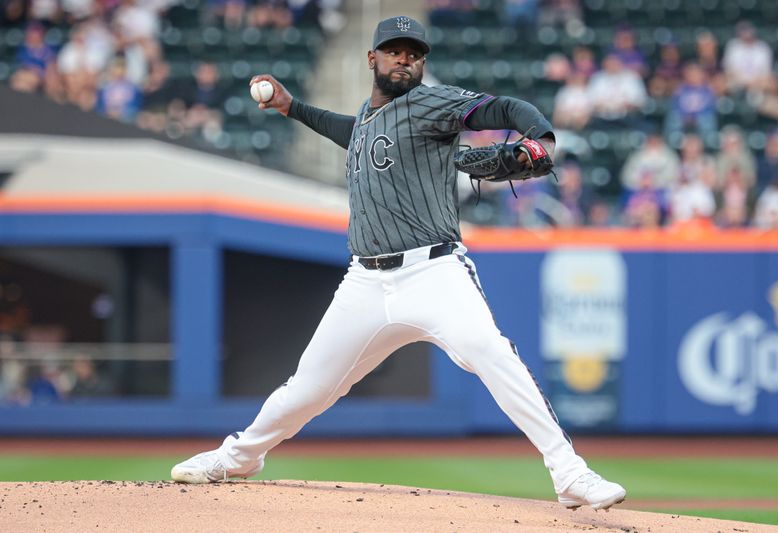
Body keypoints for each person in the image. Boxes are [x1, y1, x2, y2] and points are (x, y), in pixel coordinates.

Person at [171, 16, 626, 511]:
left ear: (422, 61)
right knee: (307, 389)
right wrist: (291, 108)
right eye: (394, 50)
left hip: (433, 271)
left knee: (491, 351)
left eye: (413, 52)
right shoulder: (368, 118)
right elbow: (350, 132)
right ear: (374, 59)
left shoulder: (430, 103)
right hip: (364, 281)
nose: (404, 59)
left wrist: (542, 138)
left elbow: (504, 107)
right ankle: (239, 457)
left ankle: (569, 473)